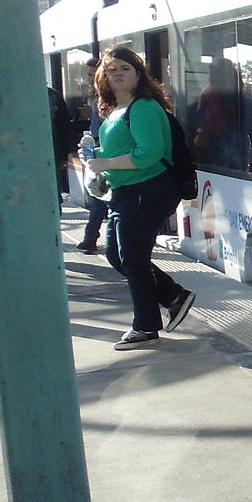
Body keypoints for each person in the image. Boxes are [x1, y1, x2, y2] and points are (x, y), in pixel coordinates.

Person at [83, 46, 196, 351]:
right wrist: (98, 162)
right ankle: (173, 296)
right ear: (102, 76)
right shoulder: (114, 111)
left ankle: (145, 325)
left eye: (124, 68)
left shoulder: (144, 107)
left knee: (132, 258)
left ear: (138, 73)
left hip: (149, 189)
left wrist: (106, 163)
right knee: (117, 255)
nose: (117, 74)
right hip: (125, 191)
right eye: (111, 69)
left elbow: (149, 153)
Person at [76, 57, 109, 253]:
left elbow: (98, 132)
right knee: (99, 196)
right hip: (98, 154)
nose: (89, 79)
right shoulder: (97, 98)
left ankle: (90, 237)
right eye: (88, 75)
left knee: (99, 197)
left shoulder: (103, 100)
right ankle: (90, 237)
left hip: (103, 156)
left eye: (92, 74)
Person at [48, 85, 76, 200]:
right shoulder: (53, 96)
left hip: (54, 152)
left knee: (52, 191)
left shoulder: (53, 96)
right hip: (53, 153)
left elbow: (64, 127)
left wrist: (64, 155)